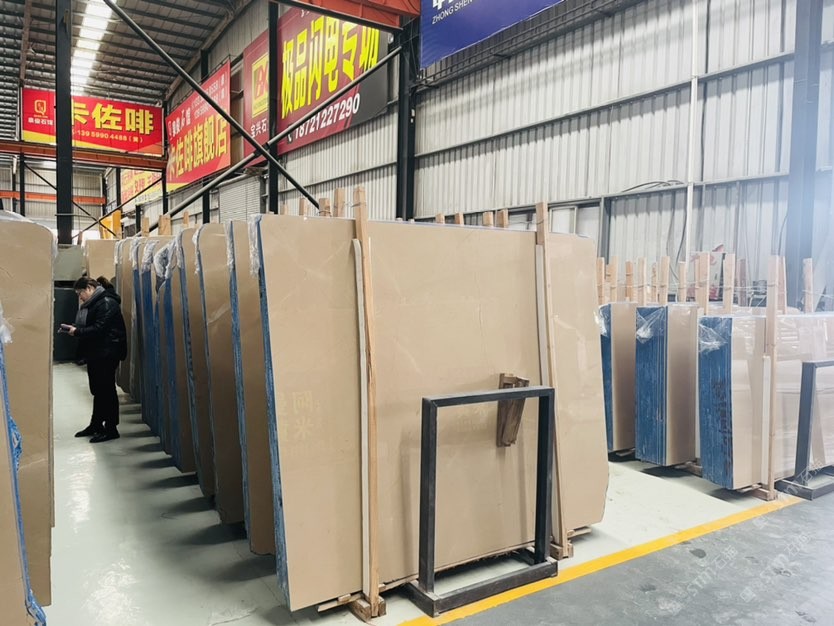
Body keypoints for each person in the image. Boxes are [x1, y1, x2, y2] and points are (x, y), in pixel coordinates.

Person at [63, 277, 127, 443]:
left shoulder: (106, 303)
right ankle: (96, 424)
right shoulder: (95, 303)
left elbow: (99, 328)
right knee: (98, 390)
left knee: (107, 390)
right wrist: (76, 329)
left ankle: (111, 428)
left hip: (107, 353)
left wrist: (77, 332)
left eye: (80, 293)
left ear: (90, 288)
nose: (80, 297)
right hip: (97, 352)